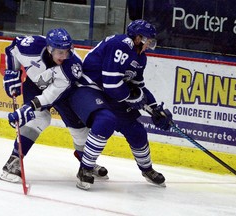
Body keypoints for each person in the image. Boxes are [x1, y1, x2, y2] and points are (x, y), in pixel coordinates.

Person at [68, 19, 173, 190]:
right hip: (88, 88)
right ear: (138, 38)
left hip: (110, 94)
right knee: (105, 120)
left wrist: (155, 109)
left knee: (136, 130)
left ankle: (147, 169)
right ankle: (85, 168)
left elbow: (138, 87)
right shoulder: (120, 45)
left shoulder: (140, 57)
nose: (150, 44)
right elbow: (111, 84)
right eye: (148, 40)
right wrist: (133, 98)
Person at [0, 28, 108, 183]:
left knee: (80, 130)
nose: (64, 56)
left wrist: (29, 107)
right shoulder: (30, 46)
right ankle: (13, 161)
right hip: (35, 85)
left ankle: (85, 162)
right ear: (50, 49)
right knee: (38, 119)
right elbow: (12, 49)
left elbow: (50, 95)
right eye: (60, 53)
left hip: (65, 92)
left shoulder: (72, 66)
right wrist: (12, 72)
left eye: (67, 51)